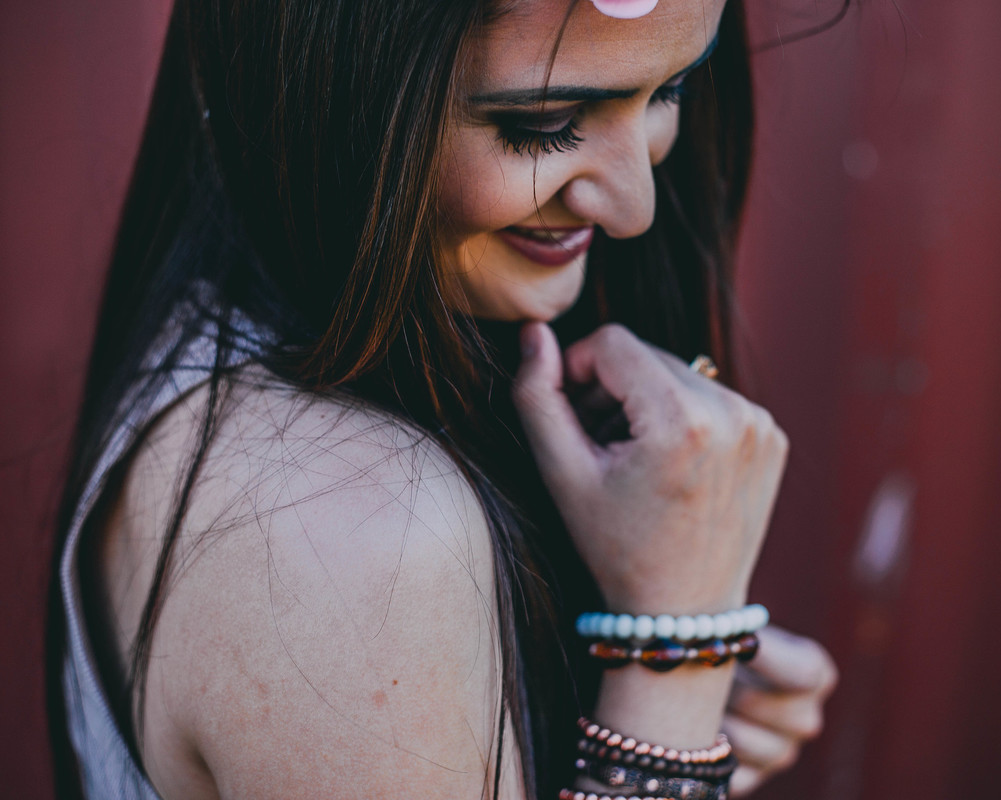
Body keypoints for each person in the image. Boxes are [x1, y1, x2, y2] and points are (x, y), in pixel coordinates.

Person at [47, 0, 839, 797]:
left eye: (673, 88)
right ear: (322, 82)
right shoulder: (348, 526)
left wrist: (633, 707)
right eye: (547, 121)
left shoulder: (225, 348)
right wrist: (674, 656)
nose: (636, 207)